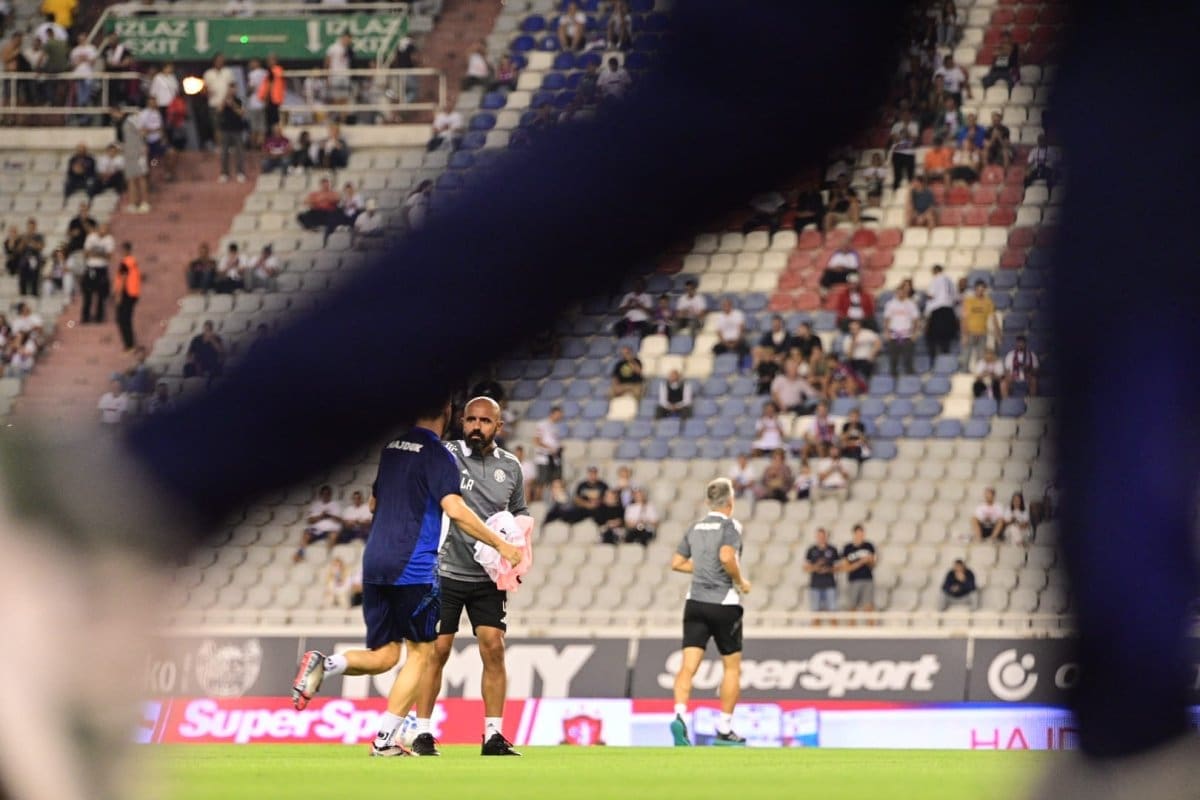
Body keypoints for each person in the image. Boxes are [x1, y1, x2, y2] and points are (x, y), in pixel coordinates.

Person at [290, 397, 520, 757]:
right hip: (413, 565)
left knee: (385, 655)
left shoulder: (392, 449)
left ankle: (325, 663)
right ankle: (384, 741)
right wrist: (501, 545)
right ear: (450, 414)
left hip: (374, 563)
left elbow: (373, 505)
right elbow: (455, 509)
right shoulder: (440, 455)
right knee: (423, 653)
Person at [408, 396, 528, 756]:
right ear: (461, 422)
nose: (477, 426)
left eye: (485, 421)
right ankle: (422, 732)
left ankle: (493, 735)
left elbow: (520, 513)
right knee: (438, 650)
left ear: (499, 426)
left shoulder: (511, 467)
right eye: (471, 420)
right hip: (443, 571)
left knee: (494, 648)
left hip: (487, 577)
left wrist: (518, 550)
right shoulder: (444, 455)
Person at [668, 477, 750, 747]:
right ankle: (724, 729)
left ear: (707, 502)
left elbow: (677, 563)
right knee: (731, 668)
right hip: (724, 604)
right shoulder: (731, 526)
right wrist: (740, 580)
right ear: (730, 502)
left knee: (688, 666)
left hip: (695, 604)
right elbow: (726, 556)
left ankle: (680, 716)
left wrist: (702, 567)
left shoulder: (695, 527)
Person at [882, 281, 920, 377]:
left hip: (907, 335)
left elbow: (916, 320)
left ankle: (909, 379)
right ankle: (893, 377)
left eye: (903, 291)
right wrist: (886, 332)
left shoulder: (911, 304)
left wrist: (915, 333)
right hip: (894, 335)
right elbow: (886, 319)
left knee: (908, 359)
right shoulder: (890, 304)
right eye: (899, 291)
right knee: (893, 359)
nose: (901, 293)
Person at [960, 280, 1000, 370]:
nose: (980, 292)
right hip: (970, 332)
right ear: (975, 289)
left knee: (981, 358)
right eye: (978, 290)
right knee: (966, 356)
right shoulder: (969, 301)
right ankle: (964, 373)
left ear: (984, 290)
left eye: (982, 290)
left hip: (982, 333)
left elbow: (994, 318)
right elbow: (964, 318)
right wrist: (964, 334)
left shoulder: (988, 302)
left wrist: (998, 333)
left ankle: (979, 375)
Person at [81, 220, 113, 323]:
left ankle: (99, 317)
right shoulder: (91, 237)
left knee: (101, 294)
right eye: (103, 228)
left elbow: (109, 256)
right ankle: (85, 317)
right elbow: (86, 253)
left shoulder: (109, 239)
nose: (104, 231)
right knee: (88, 294)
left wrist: (94, 253)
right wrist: (101, 254)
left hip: (102, 269)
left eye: (106, 229)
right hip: (91, 268)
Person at [803, 527, 839, 619]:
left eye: (823, 536)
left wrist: (829, 569)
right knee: (815, 613)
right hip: (815, 585)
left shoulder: (832, 549)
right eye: (819, 536)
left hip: (830, 585)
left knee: (832, 612)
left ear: (826, 536)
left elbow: (839, 567)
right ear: (816, 537)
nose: (821, 538)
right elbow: (806, 568)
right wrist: (816, 566)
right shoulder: (811, 550)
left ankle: (834, 629)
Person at [840, 524, 876, 615]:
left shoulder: (869, 546)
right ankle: (852, 624)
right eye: (858, 533)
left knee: (868, 606)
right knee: (852, 606)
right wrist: (861, 562)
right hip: (853, 580)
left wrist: (869, 561)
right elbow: (846, 567)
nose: (861, 536)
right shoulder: (848, 548)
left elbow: (873, 565)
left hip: (867, 579)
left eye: (862, 533)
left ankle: (870, 624)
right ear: (854, 534)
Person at [924, 264, 958, 356]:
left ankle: (933, 359)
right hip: (950, 311)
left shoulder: (936, 279)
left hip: (938, 311)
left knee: (931, 337)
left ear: (935, 271)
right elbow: (955, 298)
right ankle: (945, 358)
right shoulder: (950, 281)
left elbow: (931, 295)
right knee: (946, 339)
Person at [113, 241, 140, 352]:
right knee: (125, 319)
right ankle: (130, 344)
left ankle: (129, 345)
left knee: (123, 319)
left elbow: (123, 278)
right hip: (132, 293)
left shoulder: (126, 262)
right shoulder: (132, 261)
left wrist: (118, 294)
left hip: (126, 293)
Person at [217, 91, 247, 183]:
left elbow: (242, 113)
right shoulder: (223, 100)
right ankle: (224, 173)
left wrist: (233, 105)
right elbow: (219, 111)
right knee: (224, 153)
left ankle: (240, 173)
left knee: (239, 152)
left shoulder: (238, 101)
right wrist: (224, 102)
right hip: (225, 130)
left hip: (237, 130)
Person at [1002, 334, 1040, 398]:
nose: (1020, 345)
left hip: (1027, 378)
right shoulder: (1010, 354)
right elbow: (1006, 370)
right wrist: (1009, 376)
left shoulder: (1031, 355)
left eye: (1022, 343)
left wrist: (1030, 372)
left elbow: (1036, 369)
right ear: (1016, 344)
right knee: (1003, 383)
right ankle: (1006, 401)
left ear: (1025, 344)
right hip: (1013, 378)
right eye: (1018, 343)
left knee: (1034, 380)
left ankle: (1032, 401)